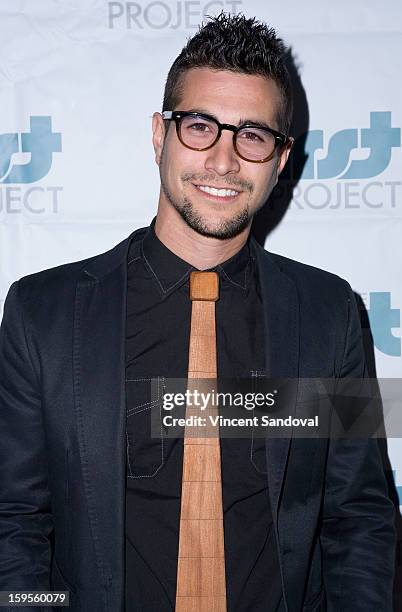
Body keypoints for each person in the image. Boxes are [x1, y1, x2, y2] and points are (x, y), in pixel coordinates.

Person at [0, 12, 396, 612]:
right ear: (159, 136)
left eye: (252, 135)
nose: (224, 159)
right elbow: (16, 520)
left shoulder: (326, 314)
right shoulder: (45, 315)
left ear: (281, 160)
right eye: (200, 126)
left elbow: (357, 514)